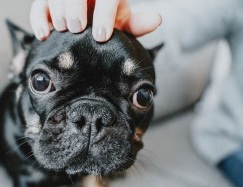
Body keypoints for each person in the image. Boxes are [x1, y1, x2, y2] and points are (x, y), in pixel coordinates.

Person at [29, 0, 243, 186]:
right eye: (42, 83)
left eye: (140, 97)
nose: (91, 124)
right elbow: (164, 25)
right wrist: (103, 19)